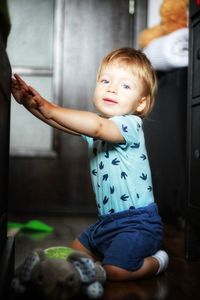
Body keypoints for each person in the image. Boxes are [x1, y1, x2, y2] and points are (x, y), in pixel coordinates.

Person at [11, 47, 169, 281]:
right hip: (106, 223)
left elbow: (95, 126)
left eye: (125, 86)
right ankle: (113, 254)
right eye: (105, 80)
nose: (112, 88)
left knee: (114, 271)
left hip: (138, 223)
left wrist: (49, 106)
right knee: (73, 254)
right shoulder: (98, 126)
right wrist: (31, 104)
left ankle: (157, 261)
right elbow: (61, 123)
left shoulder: (130, 125)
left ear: (141, 104)